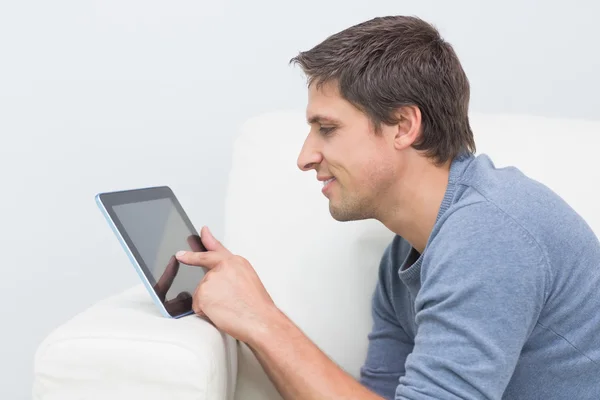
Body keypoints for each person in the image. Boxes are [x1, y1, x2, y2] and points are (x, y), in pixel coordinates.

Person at [175, 15, 600, 400]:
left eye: (328, 129)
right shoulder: (403, 259)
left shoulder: (490, 231)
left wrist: (262, 320)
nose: (305, 157)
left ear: (403, 127)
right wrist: (254, 321)